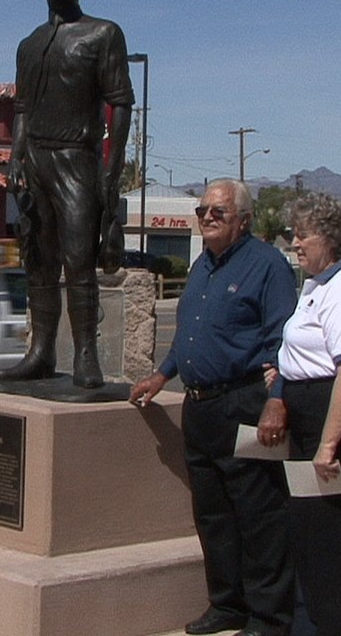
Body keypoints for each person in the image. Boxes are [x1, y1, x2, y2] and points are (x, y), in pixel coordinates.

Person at [129, 178, 296, 636]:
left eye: (217, 212)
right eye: (202, 210)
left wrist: (276, 402)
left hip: (244, 402)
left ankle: (269, 618)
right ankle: (228, 604)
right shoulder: (204, 265)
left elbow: (283, 342)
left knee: (258, 516)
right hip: (199, 407)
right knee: (214, 514)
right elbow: (191, 334)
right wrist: (163, 374)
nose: (206, 218)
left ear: (243, 220)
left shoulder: (268, 266)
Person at [0, 0, 134, 389]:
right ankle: (39, 352)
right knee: (39, 263)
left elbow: (120, 104)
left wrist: (110, 174)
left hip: (77, 159)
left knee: (78, 261)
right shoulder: (29, 45)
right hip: (34, 159)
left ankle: (85, 355)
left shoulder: (103, 34)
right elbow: (21, 108)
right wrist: (16, 155)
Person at [268, 192, 341, 635]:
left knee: (326, 532)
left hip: (332, 414)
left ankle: (337, 626)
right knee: (309, 527)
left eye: (302, 235)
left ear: (330, 239)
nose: (294, 244)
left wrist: (328, 448)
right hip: (308, 407)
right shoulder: (316, 283)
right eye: (292, 235)